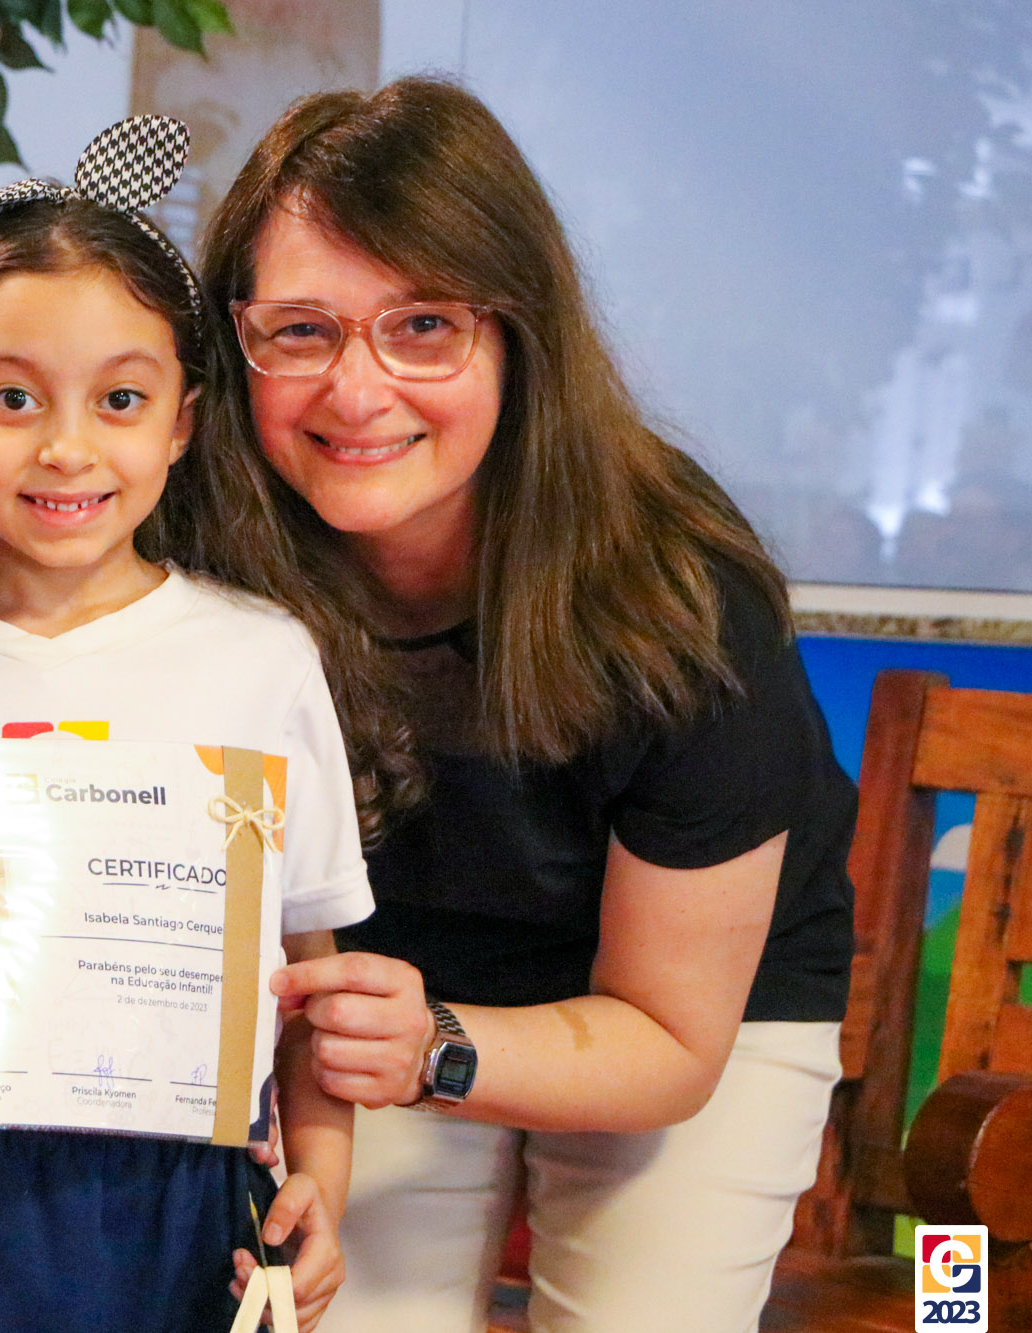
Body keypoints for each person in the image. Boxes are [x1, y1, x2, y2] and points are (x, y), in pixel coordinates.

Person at [199, 79, 858, 1333]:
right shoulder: (204, 552)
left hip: (676, 1016)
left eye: (423, 326)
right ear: (233, 343)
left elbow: (668, 1040)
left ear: (517, 334)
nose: (356, 390)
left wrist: (436, 1046)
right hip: (371, 999)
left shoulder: (677, 595)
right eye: (299, 330)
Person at [0, 117, 398, 1333]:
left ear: (181, 422)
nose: (65, 446)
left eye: (119, 399)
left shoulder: (259, 660)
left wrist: (321, 1179)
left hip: (177, 1216)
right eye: (11, 397)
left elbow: (306, 983)